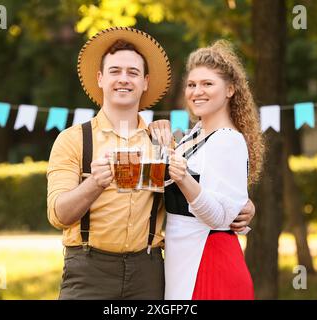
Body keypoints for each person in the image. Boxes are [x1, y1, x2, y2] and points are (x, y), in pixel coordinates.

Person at [46, 27, 255, 300]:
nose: (124, 79)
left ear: (145, 82)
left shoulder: (163, 143)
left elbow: (204, 184)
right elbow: (58, 215)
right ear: (100, 78)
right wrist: (94, 185)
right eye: (115, 71)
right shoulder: (73, 140)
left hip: (149, 273)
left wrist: (244, 205)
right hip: (89, 272)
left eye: (132, 73)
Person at [150, 40, 264, 300]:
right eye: (192, 85)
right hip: (184, 261)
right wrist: (160, 144)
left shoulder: (228, 139)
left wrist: (183, 177)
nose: (196, 91)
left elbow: (219, 219)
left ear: (230, 90)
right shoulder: (195, 134)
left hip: (210, 261)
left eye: (207, 84)